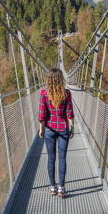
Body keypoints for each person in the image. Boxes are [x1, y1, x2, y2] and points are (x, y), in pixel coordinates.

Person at [38, 68, 74, 198]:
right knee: (62, 158)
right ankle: (61, 189)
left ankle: (53, 187)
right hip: (63, 128)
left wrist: (41, 129)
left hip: (49, 129)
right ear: (61, 79)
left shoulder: (44, 93)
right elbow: (70, 113)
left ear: (49, 80)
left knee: (51, 158)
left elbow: (42, 114)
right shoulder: (66, 93)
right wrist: (72, 128)